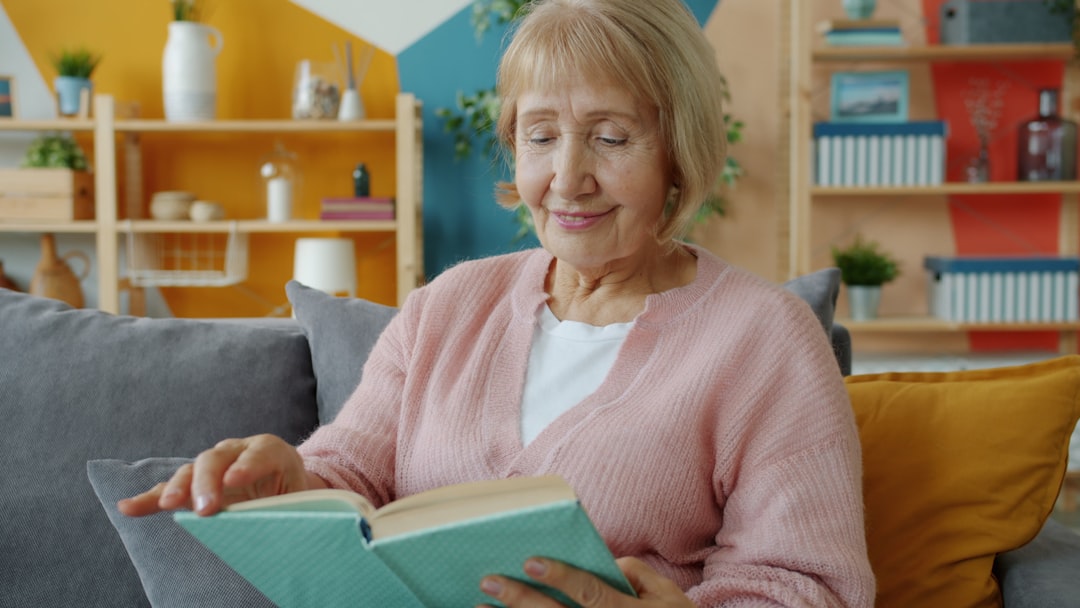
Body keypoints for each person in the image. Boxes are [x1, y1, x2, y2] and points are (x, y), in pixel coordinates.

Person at [120, 0, 876, 605]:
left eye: (610, 138)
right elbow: (354, 475)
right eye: (541, 135)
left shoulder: (766, 338)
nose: (568, 176)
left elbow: (809, 588)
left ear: (679, 154)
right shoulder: (447, 305)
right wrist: (292, 480)